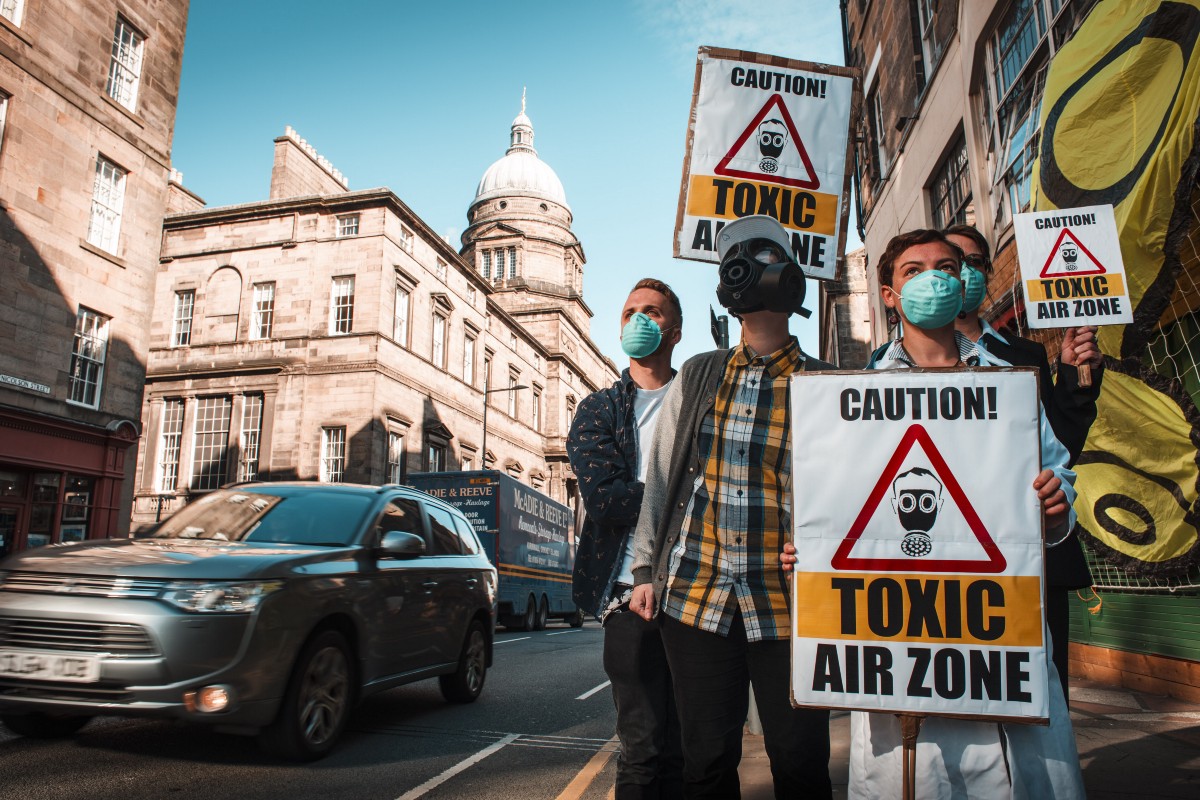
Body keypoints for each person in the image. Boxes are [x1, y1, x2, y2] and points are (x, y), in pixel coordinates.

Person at [786, 229, 1087, 799]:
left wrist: (1054, 507)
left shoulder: (1010, 385)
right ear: (889, 295)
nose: (932, 278)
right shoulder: (849, 401)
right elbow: (835, 507)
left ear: (965, 282)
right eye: (912, 270)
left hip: (996, 638)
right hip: (894, 642)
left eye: (946, 267)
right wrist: (812, 548)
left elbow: (1059, 477)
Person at [628, 215, 835, 799]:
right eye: (735, 259)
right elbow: (663, 476)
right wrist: (646, 571)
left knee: (799, 763)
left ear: (789, 276)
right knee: (707, 763)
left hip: (790, 605)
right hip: (697, 598)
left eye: (762, 254)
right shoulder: (699, 373)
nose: (746, 266)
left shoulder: (826, 382)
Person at [945, 222, 1102, 699]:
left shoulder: (1025, 354)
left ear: (988, 274)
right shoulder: (893, 366)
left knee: (1041, 695)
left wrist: (1077, 380)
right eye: (953, 261)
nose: (964, 272)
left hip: (1032, 553)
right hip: (952, 557)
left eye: (975, 262)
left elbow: (1058, 451)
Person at [568, 278, 685, 800]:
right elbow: (606, 500)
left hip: (695, 592)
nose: (639, 320)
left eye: (653, 312)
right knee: (642, 747)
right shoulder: (599, 409)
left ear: (675, 330)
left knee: (692, 748)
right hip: (624, 595)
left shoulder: (700, 400)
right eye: (631, 311)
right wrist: (683, 494)